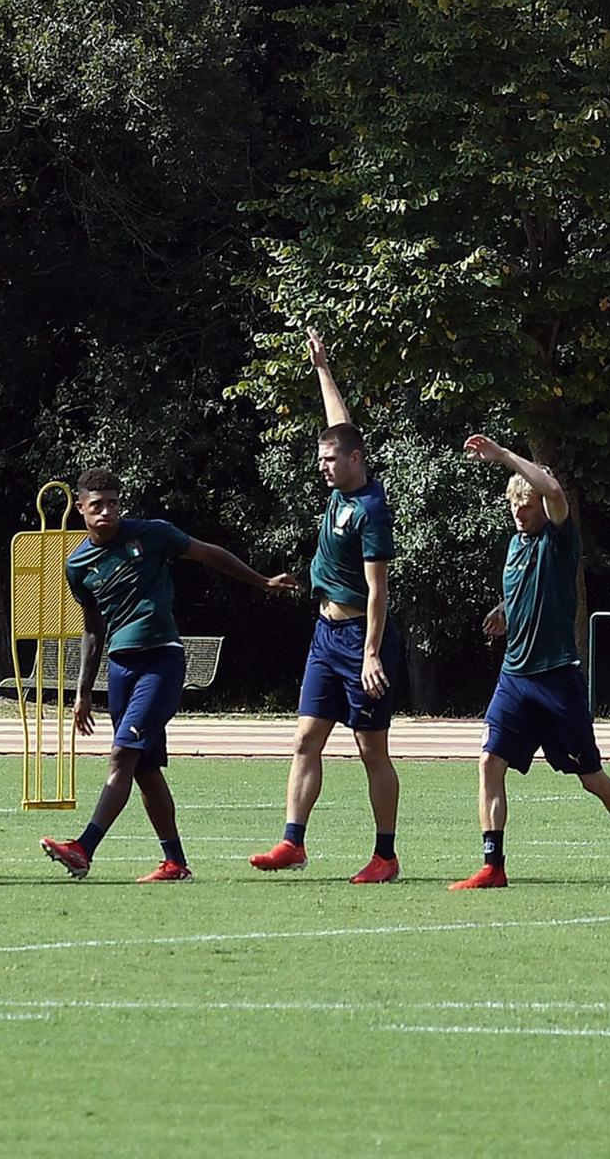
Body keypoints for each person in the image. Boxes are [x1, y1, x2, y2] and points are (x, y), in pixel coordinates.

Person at [39, 468, 296, 882]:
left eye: (114, 503)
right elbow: (91, 629)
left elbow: (208, 552)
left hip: (161, 661)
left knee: (122, 754)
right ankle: (175, 862)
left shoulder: (152, 534)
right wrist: (83, 691)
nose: (107, 511)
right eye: (97, 505)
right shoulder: (77, 565)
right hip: (121, 668)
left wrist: (261, 581)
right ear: (81, 510)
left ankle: (83, 848)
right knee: (143, 768)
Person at [450, 435, 610, 892]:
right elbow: (525, 592)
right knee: (488, 762)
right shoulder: (514, 546)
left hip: (557, 679)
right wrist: (505, 610)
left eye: (527, 504)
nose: (520, 511)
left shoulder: (559, 538)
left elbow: (555, 492)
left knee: (591, 779)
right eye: (514, 504)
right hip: (514, 678)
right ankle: (493, 864)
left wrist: (504, 456)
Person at [253, 328, 400, 883]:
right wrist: (321, 368)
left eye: (331, 459)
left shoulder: (370, 510)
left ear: (356, 460)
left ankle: (385, 855)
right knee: (305, 739)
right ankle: (293, 842)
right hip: (324, 634)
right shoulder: (341, 489)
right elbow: (340, 424)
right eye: (320, 459)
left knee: (370, 750)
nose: (323, 466)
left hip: (362, 639)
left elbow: (379, 589)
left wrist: (370, 655)